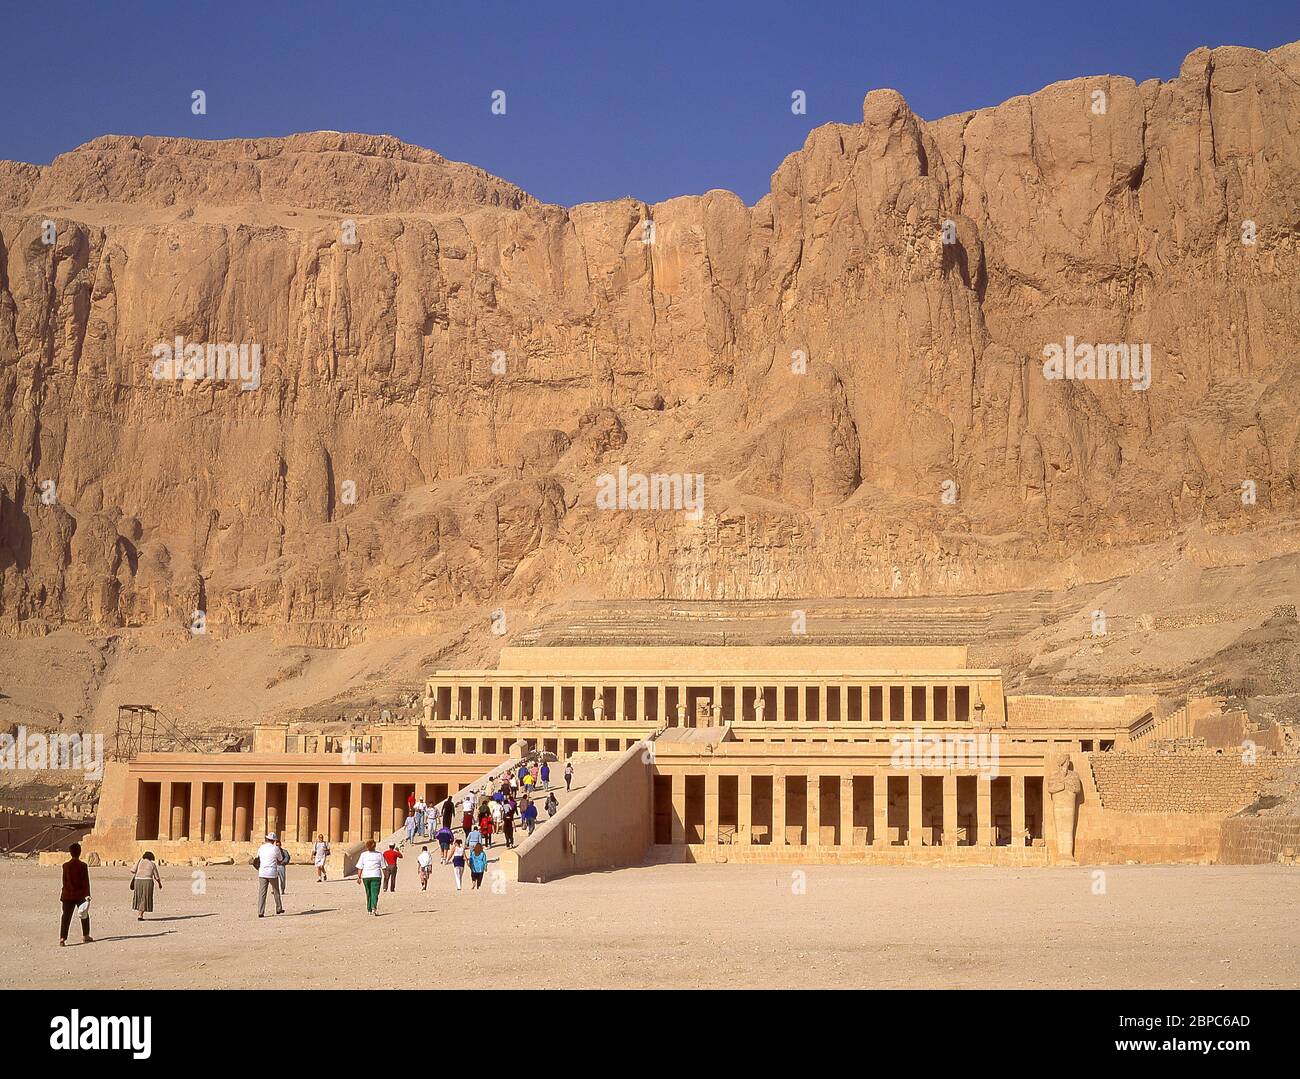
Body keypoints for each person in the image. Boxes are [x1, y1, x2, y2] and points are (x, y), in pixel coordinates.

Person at [59, 842, 92, 946]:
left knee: (66, 917)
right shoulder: (83, 866)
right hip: (80, 894)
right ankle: (85, 935)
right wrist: (87, 894)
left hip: (67, 894)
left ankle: (62, 938)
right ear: (79, 852)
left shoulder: (65, 866)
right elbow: (85, 881)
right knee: (84, 915)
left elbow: (64, 881)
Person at [255, 833, 285, 917]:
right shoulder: (276, 849)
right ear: (274, 840)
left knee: (262, 893)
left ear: (267, 839)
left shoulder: (261, 847)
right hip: (272, 872)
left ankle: (260, 912)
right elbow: (280, 859)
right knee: (276, 891)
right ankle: (279, 908)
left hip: (262, 872)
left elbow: (257, 858)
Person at [355, 839, 385, 915]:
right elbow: (383, 867)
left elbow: (360, 867)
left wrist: (359, 877)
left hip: (366, 876)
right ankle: (373, 907)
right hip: (376, 875)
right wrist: (386, 877)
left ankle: (369, 909)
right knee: (375, 893)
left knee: (368, 892)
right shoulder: (379, 854)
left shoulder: (363, 855)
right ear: (375, 846)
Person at [129, 851, 162, 921]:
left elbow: (132, 870)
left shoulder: (140, 861)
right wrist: (159, 884)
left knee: (139, 896)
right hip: (147, 881)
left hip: (138, 881)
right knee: (145, 897)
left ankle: (139, 914)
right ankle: (140, 915)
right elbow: (156, 877)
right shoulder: (152, 864)